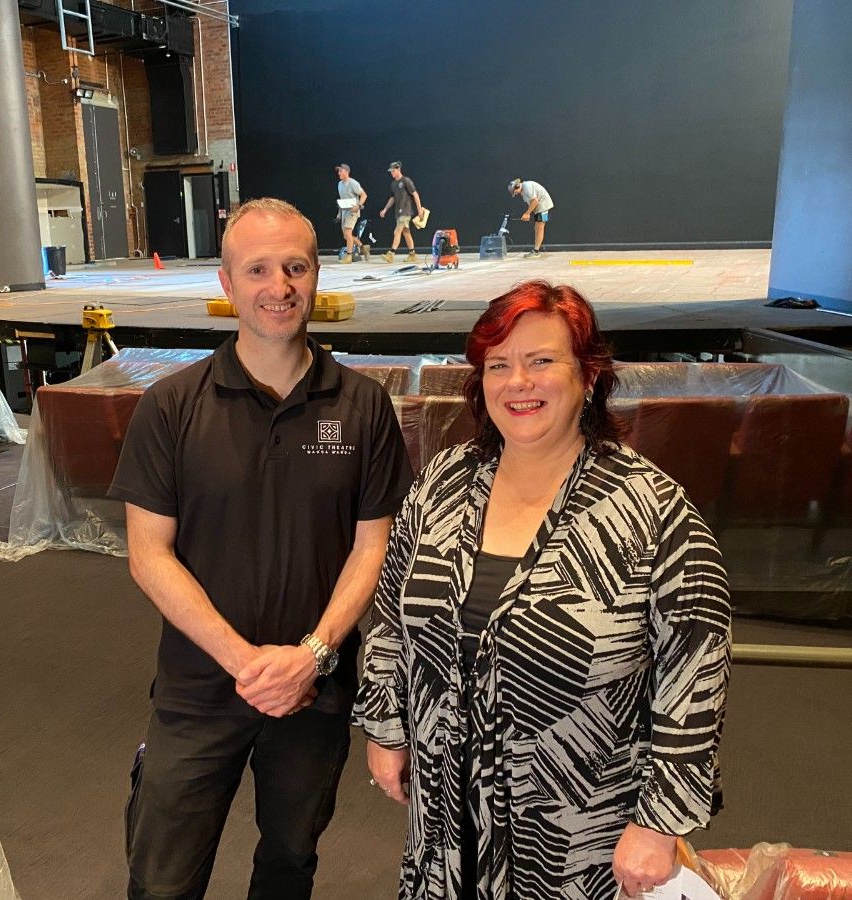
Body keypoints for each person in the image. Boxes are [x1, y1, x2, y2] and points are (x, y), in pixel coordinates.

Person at [355, 279, 731, 899]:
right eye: (498, 365)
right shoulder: (444, 484)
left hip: (580, 838)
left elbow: (696, 677)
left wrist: (660, 824)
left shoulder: (651, 510)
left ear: (587, 376)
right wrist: (385, 727)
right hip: (444, 822)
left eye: (541, 361)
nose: (517, 382)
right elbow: (394, 621)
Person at [112, 197, 414, 899]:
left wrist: (310, 655)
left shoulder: (362, 406)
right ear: (226, 284)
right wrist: (247, 662)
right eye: (257, 269)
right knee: (160, 879)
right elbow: (148, 555)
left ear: (315, 276)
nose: (278, 286)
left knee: (288, 866)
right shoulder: (172, 406)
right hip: (198, 690)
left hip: (317, 694)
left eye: (295, 267)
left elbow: (374, 544)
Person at [379, 161, 424, 264]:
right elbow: (392, 198)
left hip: (406, 211)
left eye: (393, 171)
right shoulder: (393, 184)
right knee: (406, 232)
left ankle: (391, 254)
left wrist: (419, 209)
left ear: (398, 169)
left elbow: (415, 195)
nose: (392, 173)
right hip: (398, 212)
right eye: (391, 171)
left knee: (397, 231)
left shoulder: (406, 181)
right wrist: (385, 209)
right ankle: (412, 254)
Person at [508, 178, 554, 258]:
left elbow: (535, 201)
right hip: (539, 208)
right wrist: (529, 213)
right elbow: (531, 203)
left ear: (517, 187)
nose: (515, 194)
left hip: (543, 206)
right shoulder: (523, 191)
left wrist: (527, 213)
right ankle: (536, 251)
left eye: (515, 192)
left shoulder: (527, 186)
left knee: (539, 228)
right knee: (537, 228)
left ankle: (536, 252)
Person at [336, 163, 368, 263]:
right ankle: (363, 247)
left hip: (353, 211)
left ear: (346, 172)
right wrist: (339, 212)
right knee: (346, 235)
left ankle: (349, 256)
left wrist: (358, 206)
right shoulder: (340, 184)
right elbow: (342, 199)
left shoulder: (353, 183)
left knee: (348, 232)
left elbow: (364, 195)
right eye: (339, 171)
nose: (339, 173)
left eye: (341, 171)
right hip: (344, 211)